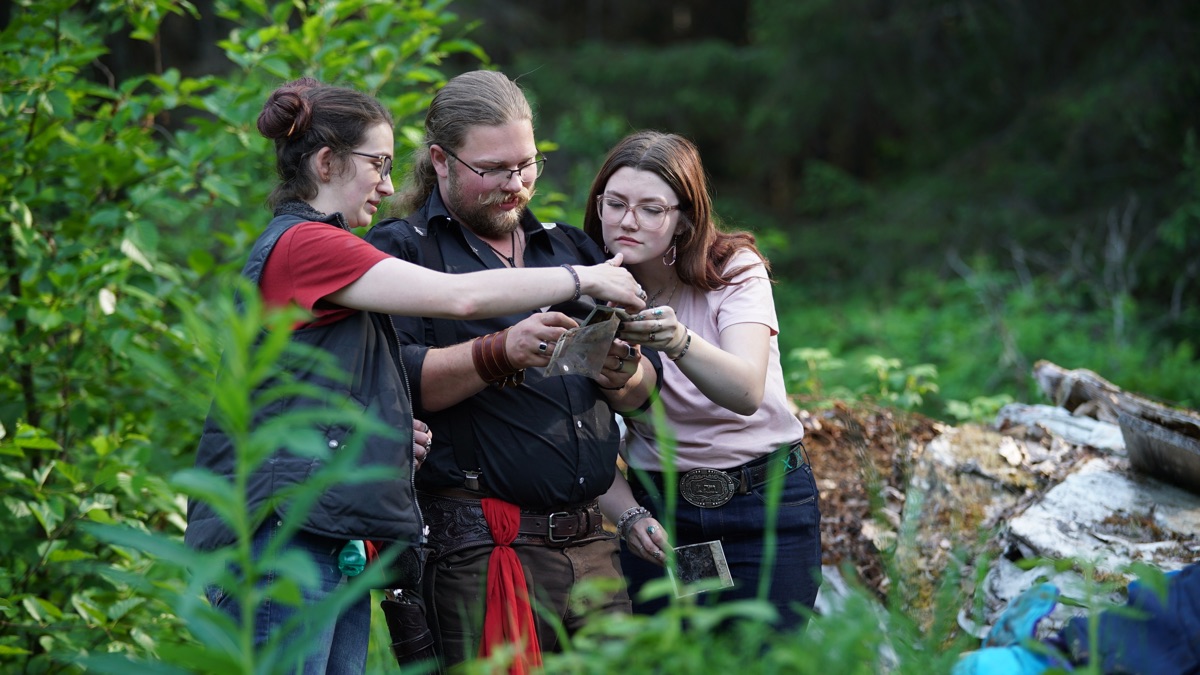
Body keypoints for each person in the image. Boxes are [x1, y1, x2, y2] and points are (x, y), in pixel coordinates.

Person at [184, 77, 645, 675]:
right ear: (326, 162)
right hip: (282, 536)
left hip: (326, 528)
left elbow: (324, 387)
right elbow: (456, 298)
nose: (388, 184)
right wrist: (583, 280)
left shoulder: (325, 249)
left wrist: (387, 429)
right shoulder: (307, 245)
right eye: (377, 163)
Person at [364, 70, 662, 671]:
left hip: (592, 542)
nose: (516, 184)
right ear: (442, 161)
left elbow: (642, 392)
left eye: (528, 164)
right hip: (481, 547)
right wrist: (500, 350)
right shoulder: (404, 250)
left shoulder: (570, 248)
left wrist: (619, 370)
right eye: (494, 169)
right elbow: (397, 382)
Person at [584, 131, 823, 632]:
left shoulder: (732, 270)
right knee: (683, 660)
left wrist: (677, 340)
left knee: (765, 662)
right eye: (616, 203)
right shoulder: (582, 286)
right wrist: (627, 515)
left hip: (766, 504)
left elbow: (745, 393)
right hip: (669, 517)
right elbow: (577, 436)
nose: (628, 221)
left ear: (685, 218)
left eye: (651, 208)